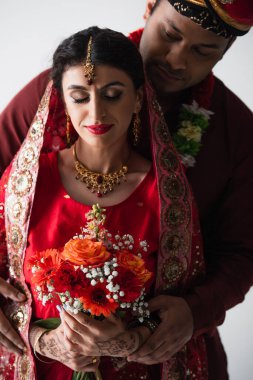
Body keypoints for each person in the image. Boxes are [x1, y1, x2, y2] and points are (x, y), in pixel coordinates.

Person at [0, 1, 253, 379]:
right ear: (149, 9)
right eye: (170, 34)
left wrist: (195, 311)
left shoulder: (235, 129)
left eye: (203, 51)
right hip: (45, 356)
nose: (177, 59)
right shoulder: (56, 92)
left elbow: (242, 251)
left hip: (165, 354)